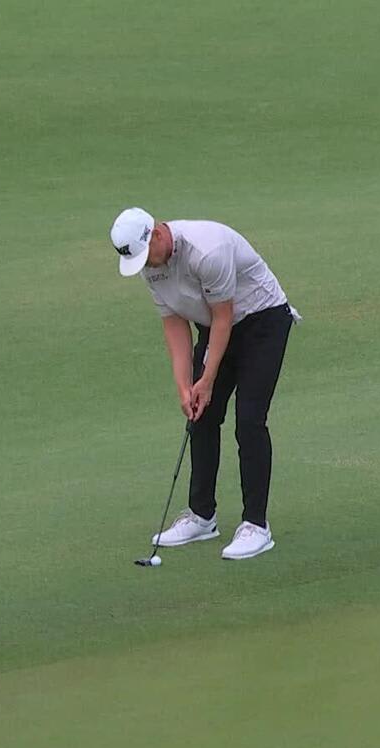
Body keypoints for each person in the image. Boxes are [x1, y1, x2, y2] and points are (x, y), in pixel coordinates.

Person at [110, 207, 300, 560]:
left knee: (249, 419)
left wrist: (207, 379)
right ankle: (201, 516)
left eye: (145, 256)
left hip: (262, 322)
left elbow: (224, 317)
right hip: (216, 327)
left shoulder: (207, 250)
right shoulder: (150, 265)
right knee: (201, 415)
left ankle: (256, 526)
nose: (145, 265)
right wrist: (185, 386)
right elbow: (174, 324)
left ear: (157, 234)